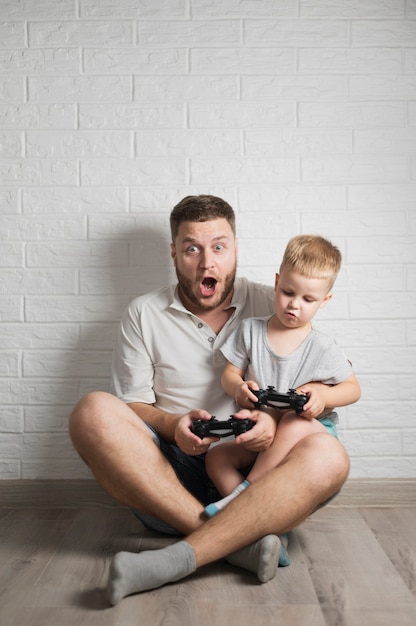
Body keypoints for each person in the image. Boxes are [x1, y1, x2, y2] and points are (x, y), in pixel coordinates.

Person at [69, 195, 351, 605]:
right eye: (191, 249)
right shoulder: (142, 314)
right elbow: (129, 407)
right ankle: (240, 543)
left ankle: (190, 551)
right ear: (174, 253)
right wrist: (173, 426)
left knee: (331, 456)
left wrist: (273, 419)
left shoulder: (279, 301)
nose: (206, 264)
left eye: (218, 247)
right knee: (91, 411)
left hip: (259, 473)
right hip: (169, 477)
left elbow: (324, 380)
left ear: (236, 248)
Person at [203, 235, 361, 518]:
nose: (294, 305)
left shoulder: (322, 346)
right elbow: (229, 374)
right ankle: (260, 528)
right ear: (277, 283)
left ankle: (242, 499)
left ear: (324, 301)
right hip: (264, 432)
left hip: (308, 433)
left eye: (308, 299)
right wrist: (238, 388)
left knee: (292, 419)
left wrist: (323, 395)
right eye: (288, 292)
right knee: (216, 457)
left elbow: (352, 389)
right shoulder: (250, 330)